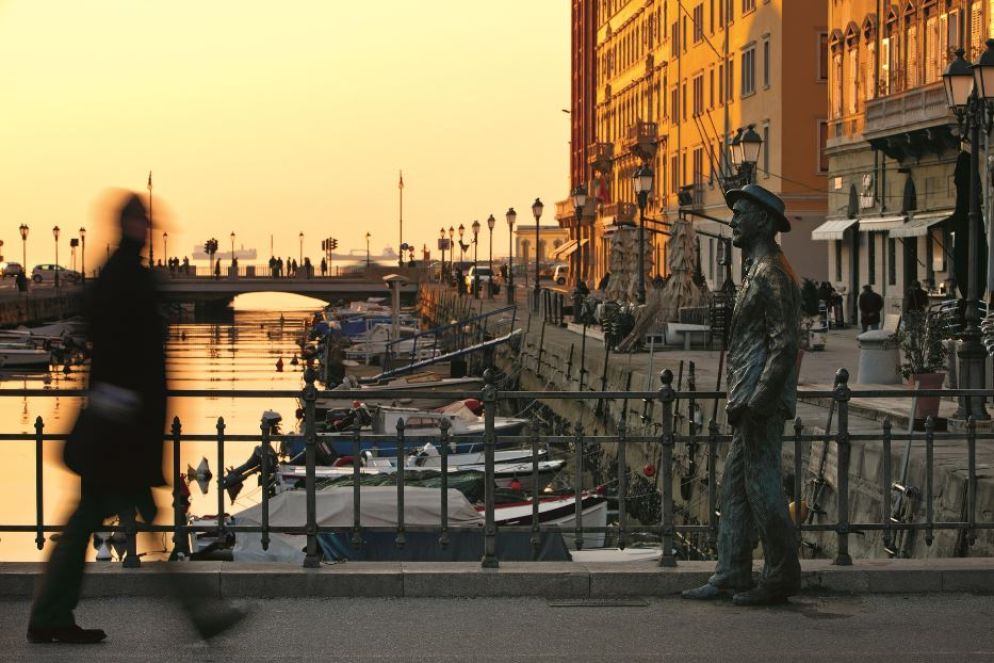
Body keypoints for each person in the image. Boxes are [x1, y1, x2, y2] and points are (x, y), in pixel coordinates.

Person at [27, 193, 245, 644]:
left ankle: (52, 614)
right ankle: (199, 615)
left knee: (103, 521)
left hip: (116, 427)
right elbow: (132, 358)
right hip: (121, 432)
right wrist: (142, 422)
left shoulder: (118, 275)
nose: (149, 229)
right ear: (129, 225)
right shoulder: (128, 278)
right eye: (142, 221)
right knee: (128, 520)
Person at [682, 183, 801, 606]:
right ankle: (732, 570)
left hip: (758, 401)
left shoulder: (772, 272)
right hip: (746, 398)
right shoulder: (757, 268)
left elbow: (786, 343)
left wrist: (760, 398)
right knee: (734, 486)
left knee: (762, 487)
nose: (733, 219)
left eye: (742, 213)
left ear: (764, 222)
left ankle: (782, 574)